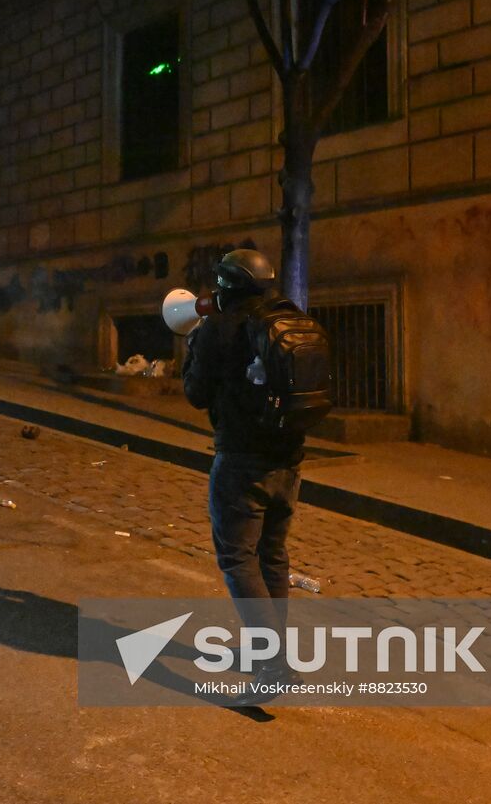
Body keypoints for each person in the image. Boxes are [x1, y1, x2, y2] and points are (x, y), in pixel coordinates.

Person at [181, 249, 312, 694]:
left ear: (227, 286)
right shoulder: (285, 315)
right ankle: (276, 656)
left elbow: (196, 394)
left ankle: (271, 666)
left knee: (239, 557)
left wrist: (191, 345)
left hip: (242, 458)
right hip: (289, 456)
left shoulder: (218, 328)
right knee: (272, 554)